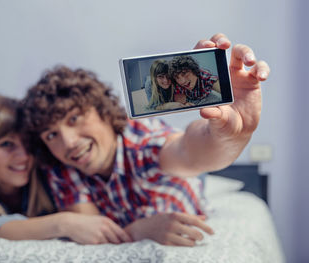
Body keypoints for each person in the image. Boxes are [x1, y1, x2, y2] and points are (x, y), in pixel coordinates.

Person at [23, 32, 267, 247]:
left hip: (184, 168)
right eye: (51, 135)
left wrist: (229, 136)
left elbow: (188, 150)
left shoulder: (143, 140)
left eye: (74, 119)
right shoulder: (63, 168)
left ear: (103, 112)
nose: (68, 142)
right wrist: (138, 231)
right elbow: (94, 232)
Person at [0, 94, 132, 244]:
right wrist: (63, 223)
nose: (23, 156)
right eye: (6, 144)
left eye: (27, 143)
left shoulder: (50, 168)